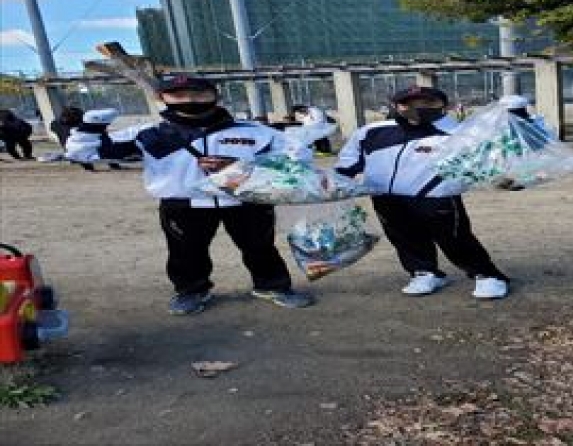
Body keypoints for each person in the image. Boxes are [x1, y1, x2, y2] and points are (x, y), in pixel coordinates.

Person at [66, 75, 313, 315]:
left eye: (198, 93)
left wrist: (239, 166)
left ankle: (273, 286)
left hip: (246, 200)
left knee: (260, 247)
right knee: (185, 252)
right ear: (162, 98)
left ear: (215, 95)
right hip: (182, 204)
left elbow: (298, 157)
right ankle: (191, 291)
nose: (189, 100)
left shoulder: (253, 131)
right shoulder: (150, 133)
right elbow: (83, 154)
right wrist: (90, 128)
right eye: (179, 95)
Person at [335, 85, 509, 299]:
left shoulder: (460, 132)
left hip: (437, 197)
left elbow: (499, 152)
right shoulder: (372, 131)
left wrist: (517, 115)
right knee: (404, 238)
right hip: (386, 198)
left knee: (455, 239)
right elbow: (347, 162)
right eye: (408, 103)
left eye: (427, 102)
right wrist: (337, 180)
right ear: (396, 106)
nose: (417, 107)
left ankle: (487, 275)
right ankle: (424, 272)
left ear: (443, 106)